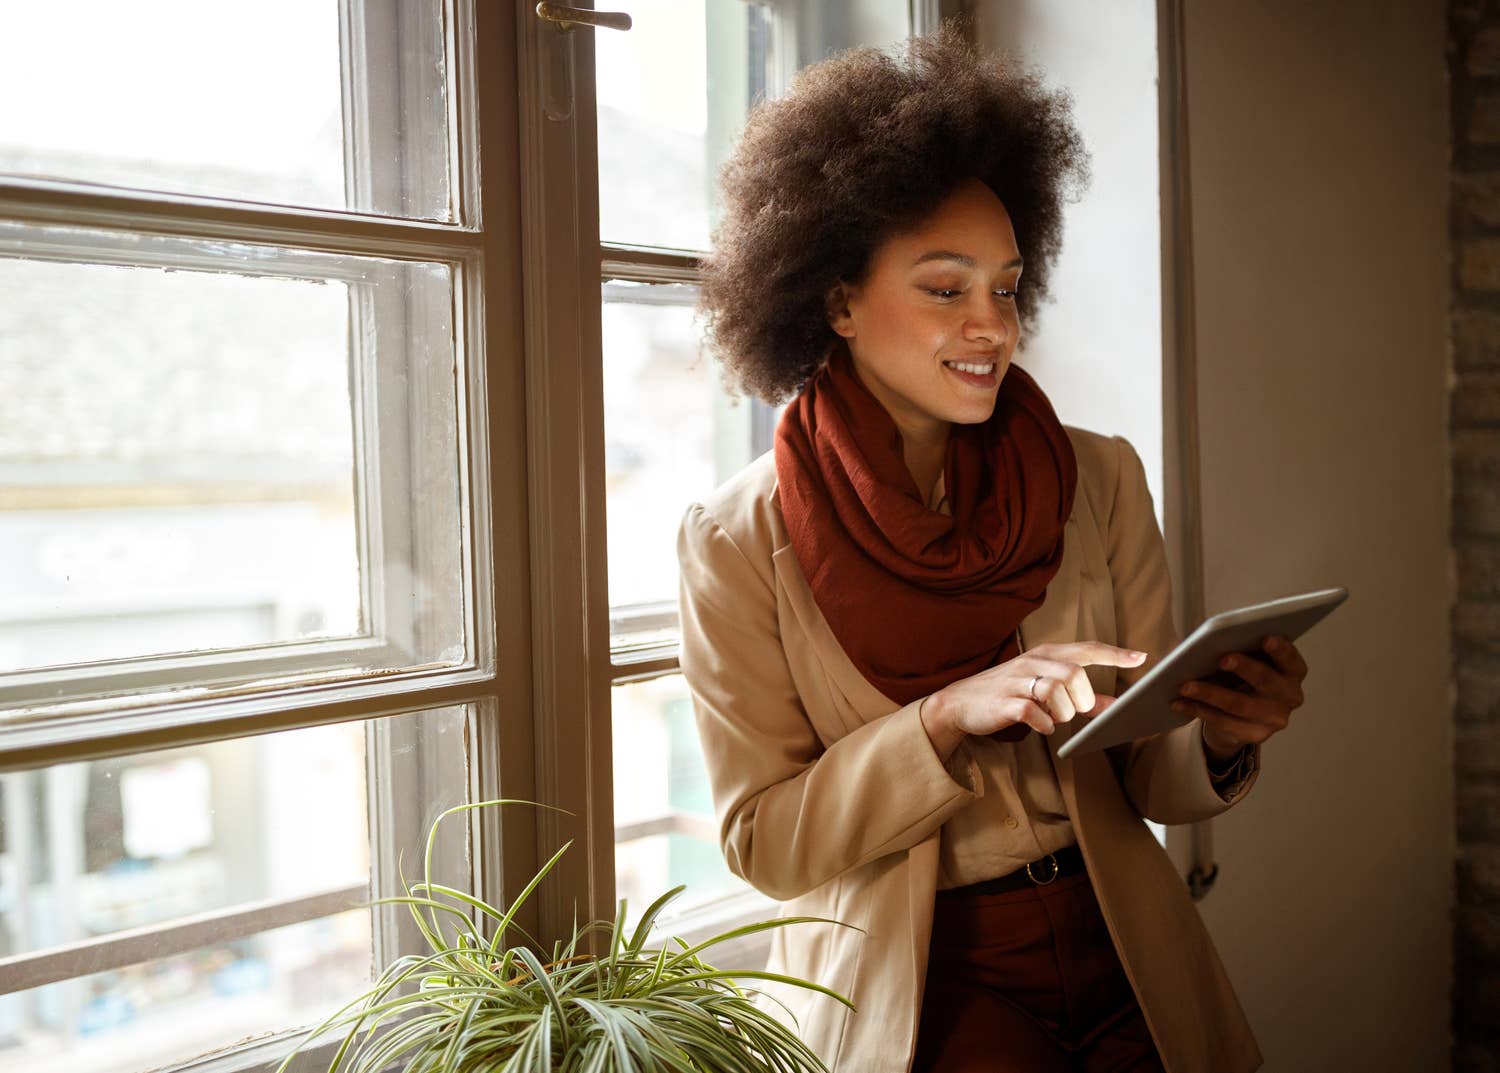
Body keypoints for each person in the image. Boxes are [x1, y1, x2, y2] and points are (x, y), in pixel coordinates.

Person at [676, 21, 1309, 1073]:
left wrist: (1229, 733)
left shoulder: (1097, 477)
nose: (994, 325)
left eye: (1007, 286)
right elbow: (767, 842)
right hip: (927, 979)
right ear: (835, 299)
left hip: (1124, 945)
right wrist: (943, 717)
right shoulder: (737, 542)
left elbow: (1149, 768)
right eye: (945, 287)